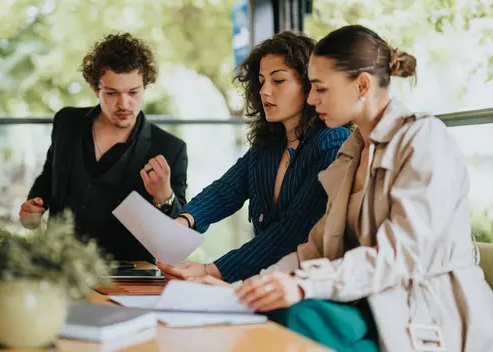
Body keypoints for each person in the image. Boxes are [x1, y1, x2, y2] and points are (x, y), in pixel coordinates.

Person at [190, 25, 493, 351]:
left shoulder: (424, 140)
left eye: (320, 88)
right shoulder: (351, 152)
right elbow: (314, 248)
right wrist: (249, 288)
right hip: (368, 304)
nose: (310, 98)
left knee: (291, 322)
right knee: (280, 317)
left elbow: (399, 256)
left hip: (425, 315)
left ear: (362, 85)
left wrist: (302, 286)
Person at [158, 31, 351, 283]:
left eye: (278, 81)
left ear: (309, 84)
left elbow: (291, 233)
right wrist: (184, 222)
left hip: (308, 288)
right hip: (265, 283)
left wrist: (211, 270)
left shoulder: (332, 142)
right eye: (261, 81)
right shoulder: (267, 145)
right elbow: (224, 192)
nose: (264, 91)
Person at [19, 33, 188, 262]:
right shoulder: (67, 122)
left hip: (126, 275)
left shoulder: (169, 148)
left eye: (133, 92)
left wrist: (164, 198)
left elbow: (177, 237)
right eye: (112, 93)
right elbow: (49, 177)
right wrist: (34, 205)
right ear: (95, 89)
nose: (124, 104)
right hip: (59, 265)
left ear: (145, 87)